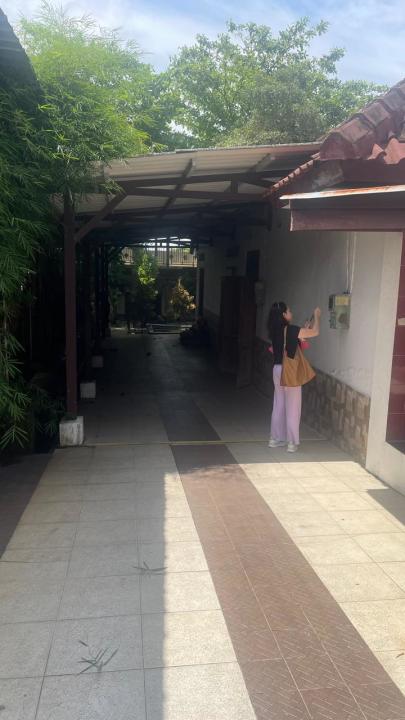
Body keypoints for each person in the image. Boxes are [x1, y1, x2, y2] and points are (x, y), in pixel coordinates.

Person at [268, 302, 321, 453]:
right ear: (284, 315)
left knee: (278, 404)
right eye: (289, 311)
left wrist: (303, 329)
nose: (291, 313)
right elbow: (315, 332)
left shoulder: (274, 331)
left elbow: (288, 345)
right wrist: (317, 316)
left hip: (277, 369)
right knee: (293, 406)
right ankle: (291, 442)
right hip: (289, 370)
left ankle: (275, 439)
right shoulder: (291, 329)